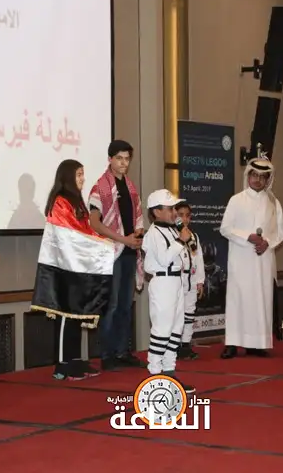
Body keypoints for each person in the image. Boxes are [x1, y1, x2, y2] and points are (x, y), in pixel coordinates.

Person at [31, 159, 115, 380]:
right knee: (66, 315)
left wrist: (102, 241)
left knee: (77, 314)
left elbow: (85, 230)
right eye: (78, 174)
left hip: (77, 267)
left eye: (83, 174)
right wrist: (98, 242)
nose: (82, 179)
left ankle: (75, 360)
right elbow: (70, 234)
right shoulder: (60, 202)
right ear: (68, 176)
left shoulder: (77, 202)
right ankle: (62, 365)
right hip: (64, 268)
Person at [219, 158, 283, 359]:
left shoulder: (273, 203)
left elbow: (280, 232)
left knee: (260, 300)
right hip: (240, 260)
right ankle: (232, 343)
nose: (257, 180)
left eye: (262, 177)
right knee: (238, 300)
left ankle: (257, 344)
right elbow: (225, 228)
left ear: (268, 179)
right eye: (254, 175)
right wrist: (247, 237)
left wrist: (267, 243)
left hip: (263, 260)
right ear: (248, 176)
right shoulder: (236, 200)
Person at [88, 140, 145, 370]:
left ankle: (123, 351)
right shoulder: (100, 187)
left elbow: (137, 217)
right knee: (111, 305)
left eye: (127, 159)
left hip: (129, 250)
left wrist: (137, 235)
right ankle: (107, 355)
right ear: (110, 159)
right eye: (119, 158)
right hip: (110, 252)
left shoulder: (130, 187)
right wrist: (123, 239)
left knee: (125, 304)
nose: (123, 163)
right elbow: (94, 223)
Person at [142, 189, 195, 393]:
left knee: (175, 329)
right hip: (163, 282)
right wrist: (181, 241)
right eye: (170, 208)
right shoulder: (154, 233)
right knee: (162, 330)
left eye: (175, 208)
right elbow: (164, 259)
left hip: (176, 282)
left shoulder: (172, 230)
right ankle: (155, 374)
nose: (175, 213)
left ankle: (169, 372)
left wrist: (182, 239)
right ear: (156, 212)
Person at [175, 201, 205, 360]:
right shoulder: (173, 235)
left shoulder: (194, 237)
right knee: (176, 314)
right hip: (177, 281)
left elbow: (198, 259)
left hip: (191, 281)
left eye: (187, 215)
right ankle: (174, 345)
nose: (185, 219)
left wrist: (200, 281)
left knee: (189, 313)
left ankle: (186, 344)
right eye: (181, 215)